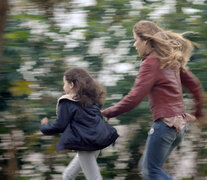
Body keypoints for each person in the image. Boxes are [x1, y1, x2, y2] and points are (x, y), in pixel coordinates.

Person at [102, 20, 204, 180]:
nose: (135, 45)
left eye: (136, 40)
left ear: (146, 41)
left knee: (151, 171)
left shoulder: (150, 63)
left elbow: (134, 98)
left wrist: (108, 112)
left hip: (166, 125)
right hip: (179, 127)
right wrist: (197, 112)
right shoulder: (170, 60)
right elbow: (195, 86)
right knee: (146, 167)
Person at [40, 67, 119, 180]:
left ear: (71, 84)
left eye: (64, 83)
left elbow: (60, 125)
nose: (63, 87)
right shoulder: (89, 100)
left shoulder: (67, 102)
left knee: (94, 178)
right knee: (67, 175)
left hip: (85, 145)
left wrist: (44, 127)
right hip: (96, 142)